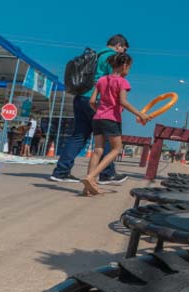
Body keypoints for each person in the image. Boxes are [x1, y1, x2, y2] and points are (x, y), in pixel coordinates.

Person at [51, 34, 130, 185]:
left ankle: (61, 172)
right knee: (107, 136)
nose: (123, 54)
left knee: (79, 135)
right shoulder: (112, 57)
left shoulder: (94, 55)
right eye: (124, 50)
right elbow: (112, 82)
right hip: (96, 100)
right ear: (118, 45)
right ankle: (107, 174)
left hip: (80, 97)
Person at [82, 53, 149, 195]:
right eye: (129, 68)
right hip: (111, 119)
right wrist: (140, 114)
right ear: (125, 65)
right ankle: (91, 177)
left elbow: (92, 101)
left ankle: (87, 187)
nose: (128, 70)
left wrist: (100, 112)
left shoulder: (101, 80)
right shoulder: (122, 82)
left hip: (98, 118)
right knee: (116, 149)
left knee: (98, 150)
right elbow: (123, 102)